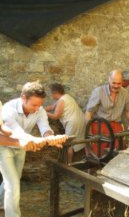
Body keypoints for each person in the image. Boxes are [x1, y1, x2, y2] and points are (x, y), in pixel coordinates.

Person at [0, 81, 67, 217]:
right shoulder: (8, 108)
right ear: (23, 97)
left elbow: (45, 127)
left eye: (40, 105)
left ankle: (2, 202)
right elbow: (15, 131)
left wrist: (50, 137)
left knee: (14, 178)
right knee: (13, 184)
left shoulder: (39, 110)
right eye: (34, 105)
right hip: (5, 147)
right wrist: (35, 140)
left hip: (23, 147)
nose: (37, 108)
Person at [85, 70, 129, 153]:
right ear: (109, 80)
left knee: (116, 154)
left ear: (122, 82)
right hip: (99, 127)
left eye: (119, 83)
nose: (116, 86)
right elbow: (88, 113)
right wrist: (89, 133)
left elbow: (128, 110)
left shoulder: (125, 93)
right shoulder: (99, 91)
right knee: (97, 154)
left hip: (116, 128)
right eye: (114, 83)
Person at [46, 83, 86, 163]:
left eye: (51, 93)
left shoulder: (61, 100)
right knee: (78, 142)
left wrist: (43, 113)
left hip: (73, 123)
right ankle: (76, 162)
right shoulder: (67, 97)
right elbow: (52, 107)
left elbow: (56, 116)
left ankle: (69, 164)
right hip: (80, 120)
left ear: (55, 93)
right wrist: (41, 109)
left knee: (69, 144)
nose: (51, 96)